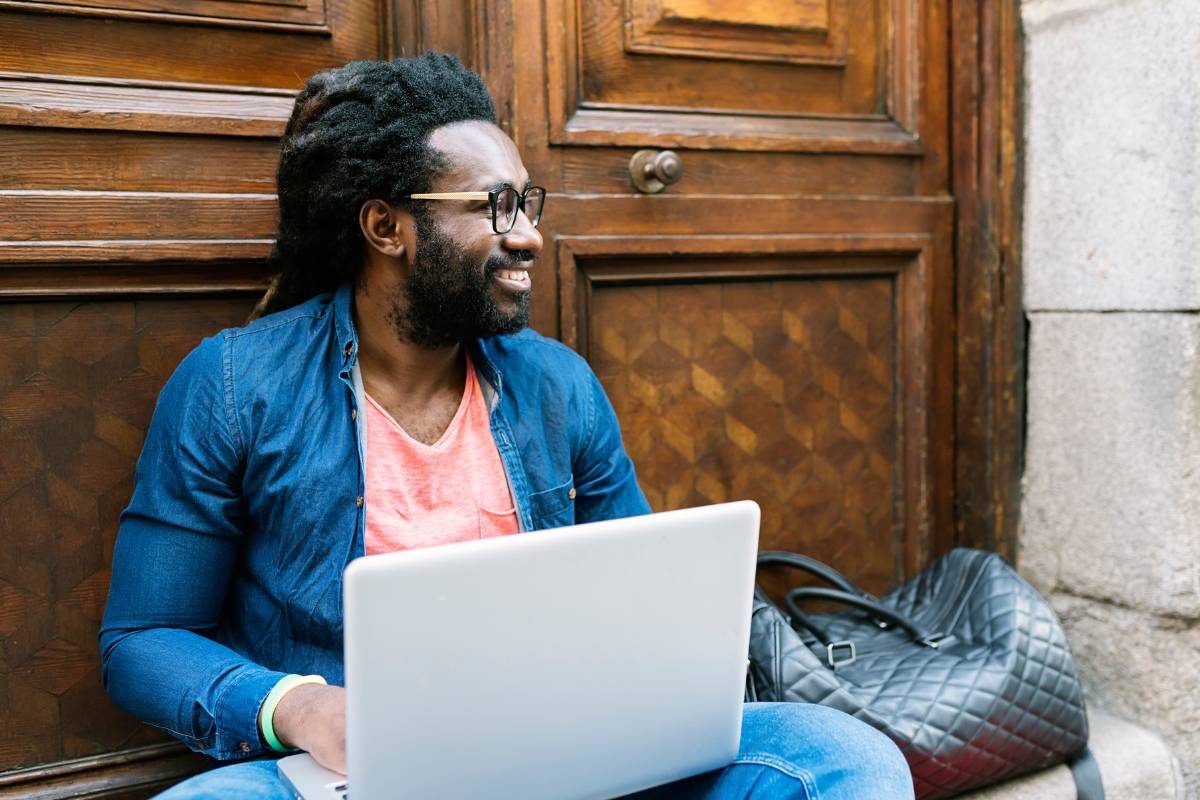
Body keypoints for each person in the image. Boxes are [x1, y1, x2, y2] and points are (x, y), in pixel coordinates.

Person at [99, 53, 914, 800]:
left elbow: (640, 593)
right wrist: (302, 708)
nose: (527, 232)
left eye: (526, 201)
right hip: (353, 775)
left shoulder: (557, 383)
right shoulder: (236, 385)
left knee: (847, 760)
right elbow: (144, 639)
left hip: (571, 746)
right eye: (494, 206)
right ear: (387, 228)